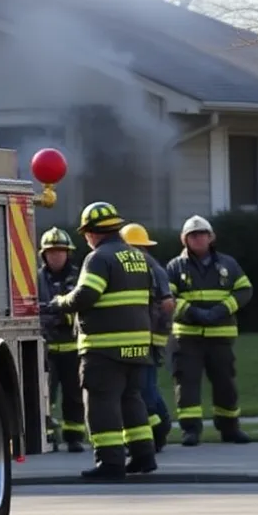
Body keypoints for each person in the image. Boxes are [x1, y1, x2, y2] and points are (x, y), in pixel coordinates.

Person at [50, 202, 157, 480]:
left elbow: (86, 295)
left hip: (104, 348)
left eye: (86, 234)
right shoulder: (137, 256)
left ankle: (110, 463)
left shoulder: (98, 258)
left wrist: (59, 302)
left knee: (101, 404)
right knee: (131, 399)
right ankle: (143, 456)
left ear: (92, 233)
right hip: (135, 346)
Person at [165, 215, 254, 446]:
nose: (198, 238)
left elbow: (244, 291)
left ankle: (230, 429)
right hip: (187, 337)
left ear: (211, 237)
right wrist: (192, 313)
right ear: (184, 239)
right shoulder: (175, 266)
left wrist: (221, 310)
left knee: (225, 384)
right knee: (187, 384)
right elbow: (167, 297)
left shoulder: (228, 264)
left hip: (220, 337)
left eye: (202, 234)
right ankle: (190, 431)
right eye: (192, 235)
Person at [119, 223, 175, 452]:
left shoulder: (151, 270)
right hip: (143, 338)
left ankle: (160, 428)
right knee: (142, 387)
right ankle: (156, 430)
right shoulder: (145, 268)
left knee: (145, 389)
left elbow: (167, 305)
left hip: (147, 339)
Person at [37, 227, 86, 453]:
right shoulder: (35, 278)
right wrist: (55, 312)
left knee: (74, 395)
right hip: (45, 347)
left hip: (72, 348)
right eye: (51, 252)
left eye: (60, 251)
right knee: (45, 394)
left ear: (68, 253)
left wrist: (53, 312)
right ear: (44, 255)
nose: (56, 255)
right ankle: (47, 435)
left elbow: (77, 310)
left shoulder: (78, 277)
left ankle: (74, 437)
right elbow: (34, 311)